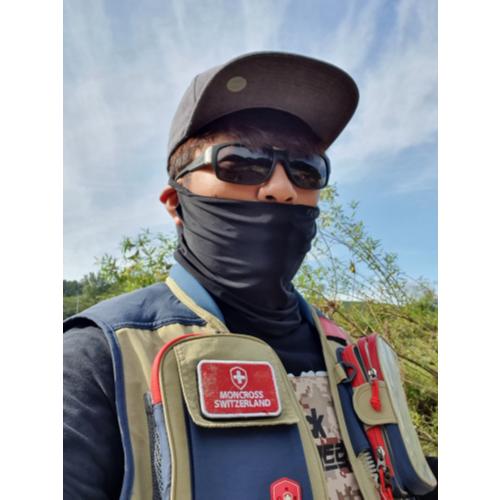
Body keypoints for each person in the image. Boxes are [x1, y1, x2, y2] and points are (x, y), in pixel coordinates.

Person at [64, 51, 437, 499]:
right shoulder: (99, 360)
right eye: (240, 162)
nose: (281, 188)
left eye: (306, 169)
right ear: (176, 203)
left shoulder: (347, 353)